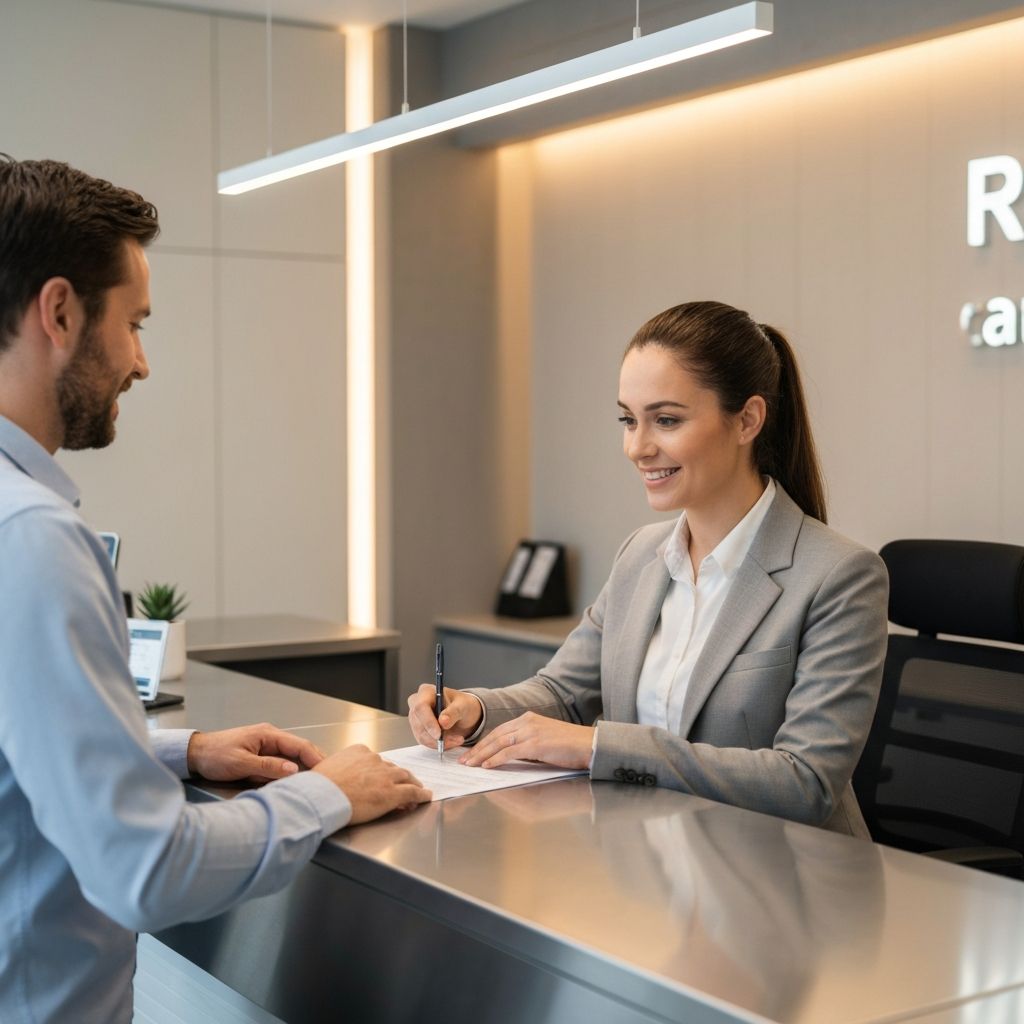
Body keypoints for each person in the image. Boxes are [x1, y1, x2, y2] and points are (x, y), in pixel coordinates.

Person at [0, 155, 430, 1024]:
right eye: (135, 323)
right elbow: (146, 871)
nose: (141, 363)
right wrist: (330, 793)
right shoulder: (34, 539)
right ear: (60, 311)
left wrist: (179, 753)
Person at [409, 301, 888, 836]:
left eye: (666, 420)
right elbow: (564, 693)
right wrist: (472, 710)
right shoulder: (641, 553)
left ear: (748, 419)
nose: (638, 447)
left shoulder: (840, 575)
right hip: (652, 867)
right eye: (627, 420)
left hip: (785, 885)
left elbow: (806, 783)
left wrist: (602, 746)